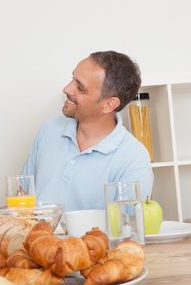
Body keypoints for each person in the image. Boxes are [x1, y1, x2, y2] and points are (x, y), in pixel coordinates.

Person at [22, 51, 153, 211]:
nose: (67, 89)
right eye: (72, 79)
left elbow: (126, 229)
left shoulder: (133, 160)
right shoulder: (50, 130)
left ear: (109, 105)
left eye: (80, 87)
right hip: (35, 236)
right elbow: (22, 196)